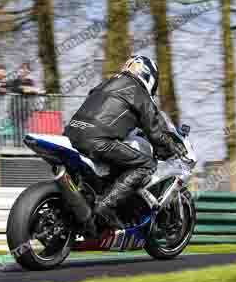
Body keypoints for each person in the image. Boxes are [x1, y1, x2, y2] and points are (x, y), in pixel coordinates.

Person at [63, 55, 188, 230]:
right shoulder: (139, 91)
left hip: (71, 134)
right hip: (97, 140)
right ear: (149, 76)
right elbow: (156, 133)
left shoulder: (106, 83)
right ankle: (106, 206)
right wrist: (174, 148)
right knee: (146, 164)